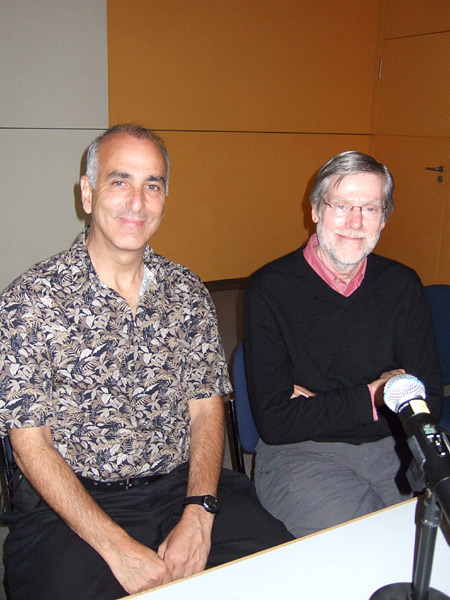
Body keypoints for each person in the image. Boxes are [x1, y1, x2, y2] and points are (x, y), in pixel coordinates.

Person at [0, 124, 293, 600]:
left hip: (183, 485)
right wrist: (115, 546)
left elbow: (206, 410)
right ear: (87, 193)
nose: (137, 202)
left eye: (152, 185)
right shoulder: (29, 301)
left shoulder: (188, 292)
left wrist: (199, 511)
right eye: (120, 181)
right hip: (75, 502)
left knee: (283, 573)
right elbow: (30, 443)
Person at [243, 151, 443, 538]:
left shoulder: (402, 285)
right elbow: (277, 422)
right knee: (369, 550)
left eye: (369, 208)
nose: (355, 222)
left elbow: (429, 401)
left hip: (396, 445)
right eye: (341, 205)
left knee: (435, 543)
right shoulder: (270, 289)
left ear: (384, 218)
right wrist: (378, 394)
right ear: (315, 209)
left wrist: (318, 405)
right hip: (303, 454)